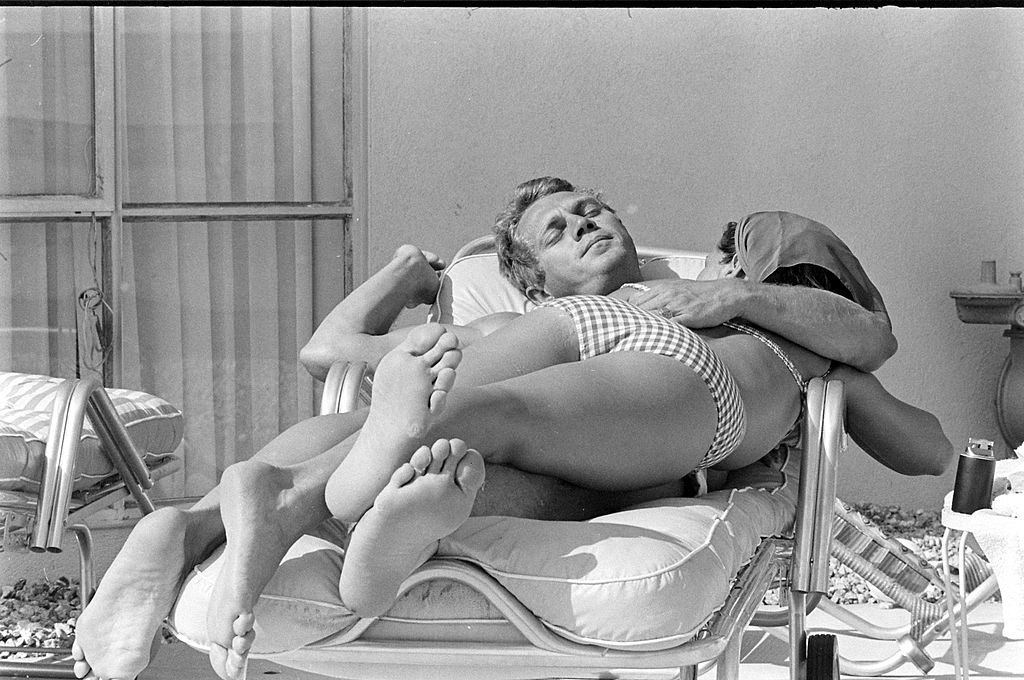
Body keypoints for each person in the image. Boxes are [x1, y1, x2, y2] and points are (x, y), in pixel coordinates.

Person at [69, 177, 950, 680]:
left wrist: (741, 297)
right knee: (484, 415)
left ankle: (201, 522)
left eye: (593, 211)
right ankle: (329, 507)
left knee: (467, 436)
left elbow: (331, 351)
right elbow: (927, 447)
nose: (588, 223)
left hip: (595, 376)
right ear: (535, 277)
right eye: (560, 230)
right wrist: (409, 273)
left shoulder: (720, 302)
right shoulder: (764, 334)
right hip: (676, 385)